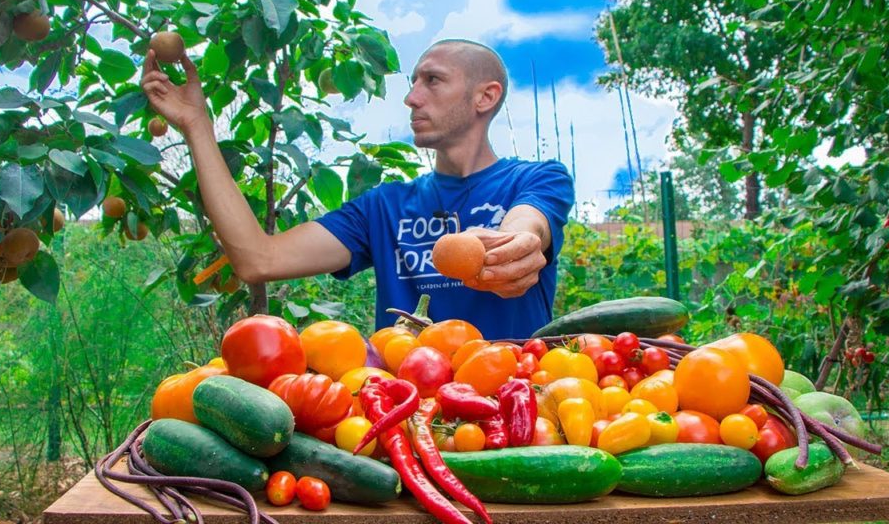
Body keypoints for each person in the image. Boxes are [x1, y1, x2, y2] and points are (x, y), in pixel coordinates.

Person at [140, 39, 574, 340]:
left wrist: (512, 247)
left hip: (513, 412)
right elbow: (258, 259)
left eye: (432, 81)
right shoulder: (383, 207)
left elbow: (527, 226)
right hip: (407, 415)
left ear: (485, 97)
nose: (411, 98)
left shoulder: (536, 178)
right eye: (412, 82)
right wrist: (197, 126)